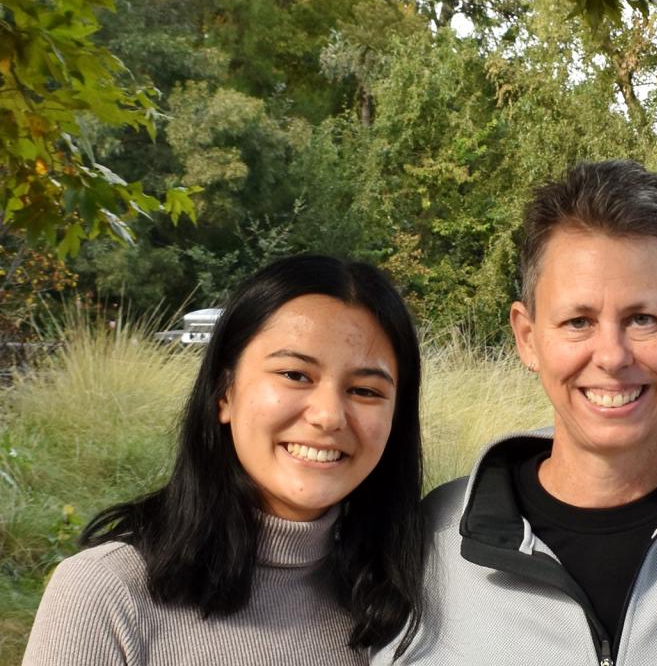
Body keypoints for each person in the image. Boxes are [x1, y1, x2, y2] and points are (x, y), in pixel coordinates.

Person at [381, 160, 657, 665]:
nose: (612, 356)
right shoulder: (429, 543)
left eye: (642, 319)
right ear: (527, 338)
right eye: (578, 321)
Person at [23, 255, 427, 665]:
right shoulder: (108, 592)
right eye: (295, 375)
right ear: (224, 392)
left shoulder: (404, 603)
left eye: (365, 391)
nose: (328, 416)